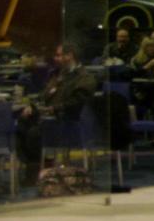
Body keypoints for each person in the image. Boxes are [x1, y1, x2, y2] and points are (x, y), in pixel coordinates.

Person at [15, 43, 98, 177]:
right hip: (50, 119)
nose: (55, 58)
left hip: (69, 123)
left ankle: (38, 169)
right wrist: (32, 106)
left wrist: (54, 109)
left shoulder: (85, 78)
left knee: (33, 134)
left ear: (69, 56)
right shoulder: (56, 75)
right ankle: (36, 166)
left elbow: (76, 103)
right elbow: (43, 96)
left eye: (59, 55)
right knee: (20, 126)